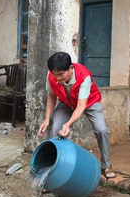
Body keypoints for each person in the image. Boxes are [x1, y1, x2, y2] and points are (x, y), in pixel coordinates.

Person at [38, 51, 116, 179]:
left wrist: (68, 124)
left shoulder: (83, 76)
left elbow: (81, 105)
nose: (57, 78)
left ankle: (106, 166)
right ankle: (53, 166)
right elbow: (52, 96)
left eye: (61, 74)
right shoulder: (51, 75)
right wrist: (46, 119)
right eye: (54, 74)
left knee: (102, 130)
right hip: (66, 102)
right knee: (55, 128)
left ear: (71, 68)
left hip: (89, 102)